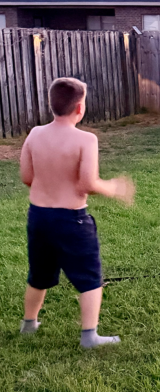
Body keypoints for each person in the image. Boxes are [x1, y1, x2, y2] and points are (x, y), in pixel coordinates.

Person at [19, 77, 136, 348]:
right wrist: (115, 188)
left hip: (39, 217)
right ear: (80, 108)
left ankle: (29, 324)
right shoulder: (86, 139)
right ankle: (89, 336)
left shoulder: (35, 134)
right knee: (90, 277)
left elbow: (27, 177)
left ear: (51, 105)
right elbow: (87, 183)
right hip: (72, 220)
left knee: (39, 274)